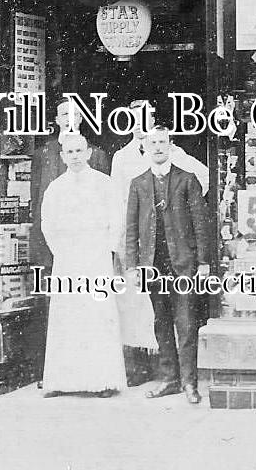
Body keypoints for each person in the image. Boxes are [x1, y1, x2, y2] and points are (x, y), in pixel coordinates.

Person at [110, 100, 209, 385]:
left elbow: (202, 179)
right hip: (145, 252)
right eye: (134, 118)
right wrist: (125, 253)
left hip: (177, 251)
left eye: (146, 118)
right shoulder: (123, 158)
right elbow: (120, 207)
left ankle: (186, 380)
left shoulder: (172, 153)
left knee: (183, 319)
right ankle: (155, 373)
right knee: (150, 316)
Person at [39, 134, 127, 397]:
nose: (75, 156)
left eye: (79, 151)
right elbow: (48, 224)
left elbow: (117, 219)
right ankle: (61, 382)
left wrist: (106, 249)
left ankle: (102, 382)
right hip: (68, 260)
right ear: (62, 156)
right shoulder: (56, 188)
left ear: (88, 153)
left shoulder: (104, 184)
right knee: (67, 318)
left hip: (96, 258)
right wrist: (62, 252)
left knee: (97, 317)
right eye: (70, 152)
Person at [30, 97, 110, 272]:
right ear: (57, 120)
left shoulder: (97, 156)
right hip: (49, 240)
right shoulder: (43, 154)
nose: (70, 119)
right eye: (65, 114)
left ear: (81, 118)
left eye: (74, 114)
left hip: (86, 243)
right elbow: (36, 199)